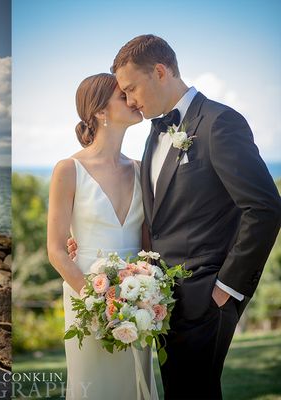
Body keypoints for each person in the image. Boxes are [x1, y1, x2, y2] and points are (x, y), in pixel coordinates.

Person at [68, 35, 281, 399]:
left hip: (207, 297)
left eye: (132, 88)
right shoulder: (153, 134)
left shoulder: (219, 123)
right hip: (160, 301)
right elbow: (157, 218)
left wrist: (226, 288)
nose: (131, 100)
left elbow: (264, 209)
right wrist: (86, 242)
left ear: (161, 72)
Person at [47, 73, 158, 399]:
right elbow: (55, 250)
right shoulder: (68, 169)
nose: (133, 99)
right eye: (122, 95)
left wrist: (148, 295)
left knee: (135, 382)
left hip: (140, 297)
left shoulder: (141, 169)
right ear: (99, 111)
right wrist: (100, 306)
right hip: (87, 295)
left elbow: (148, 243)